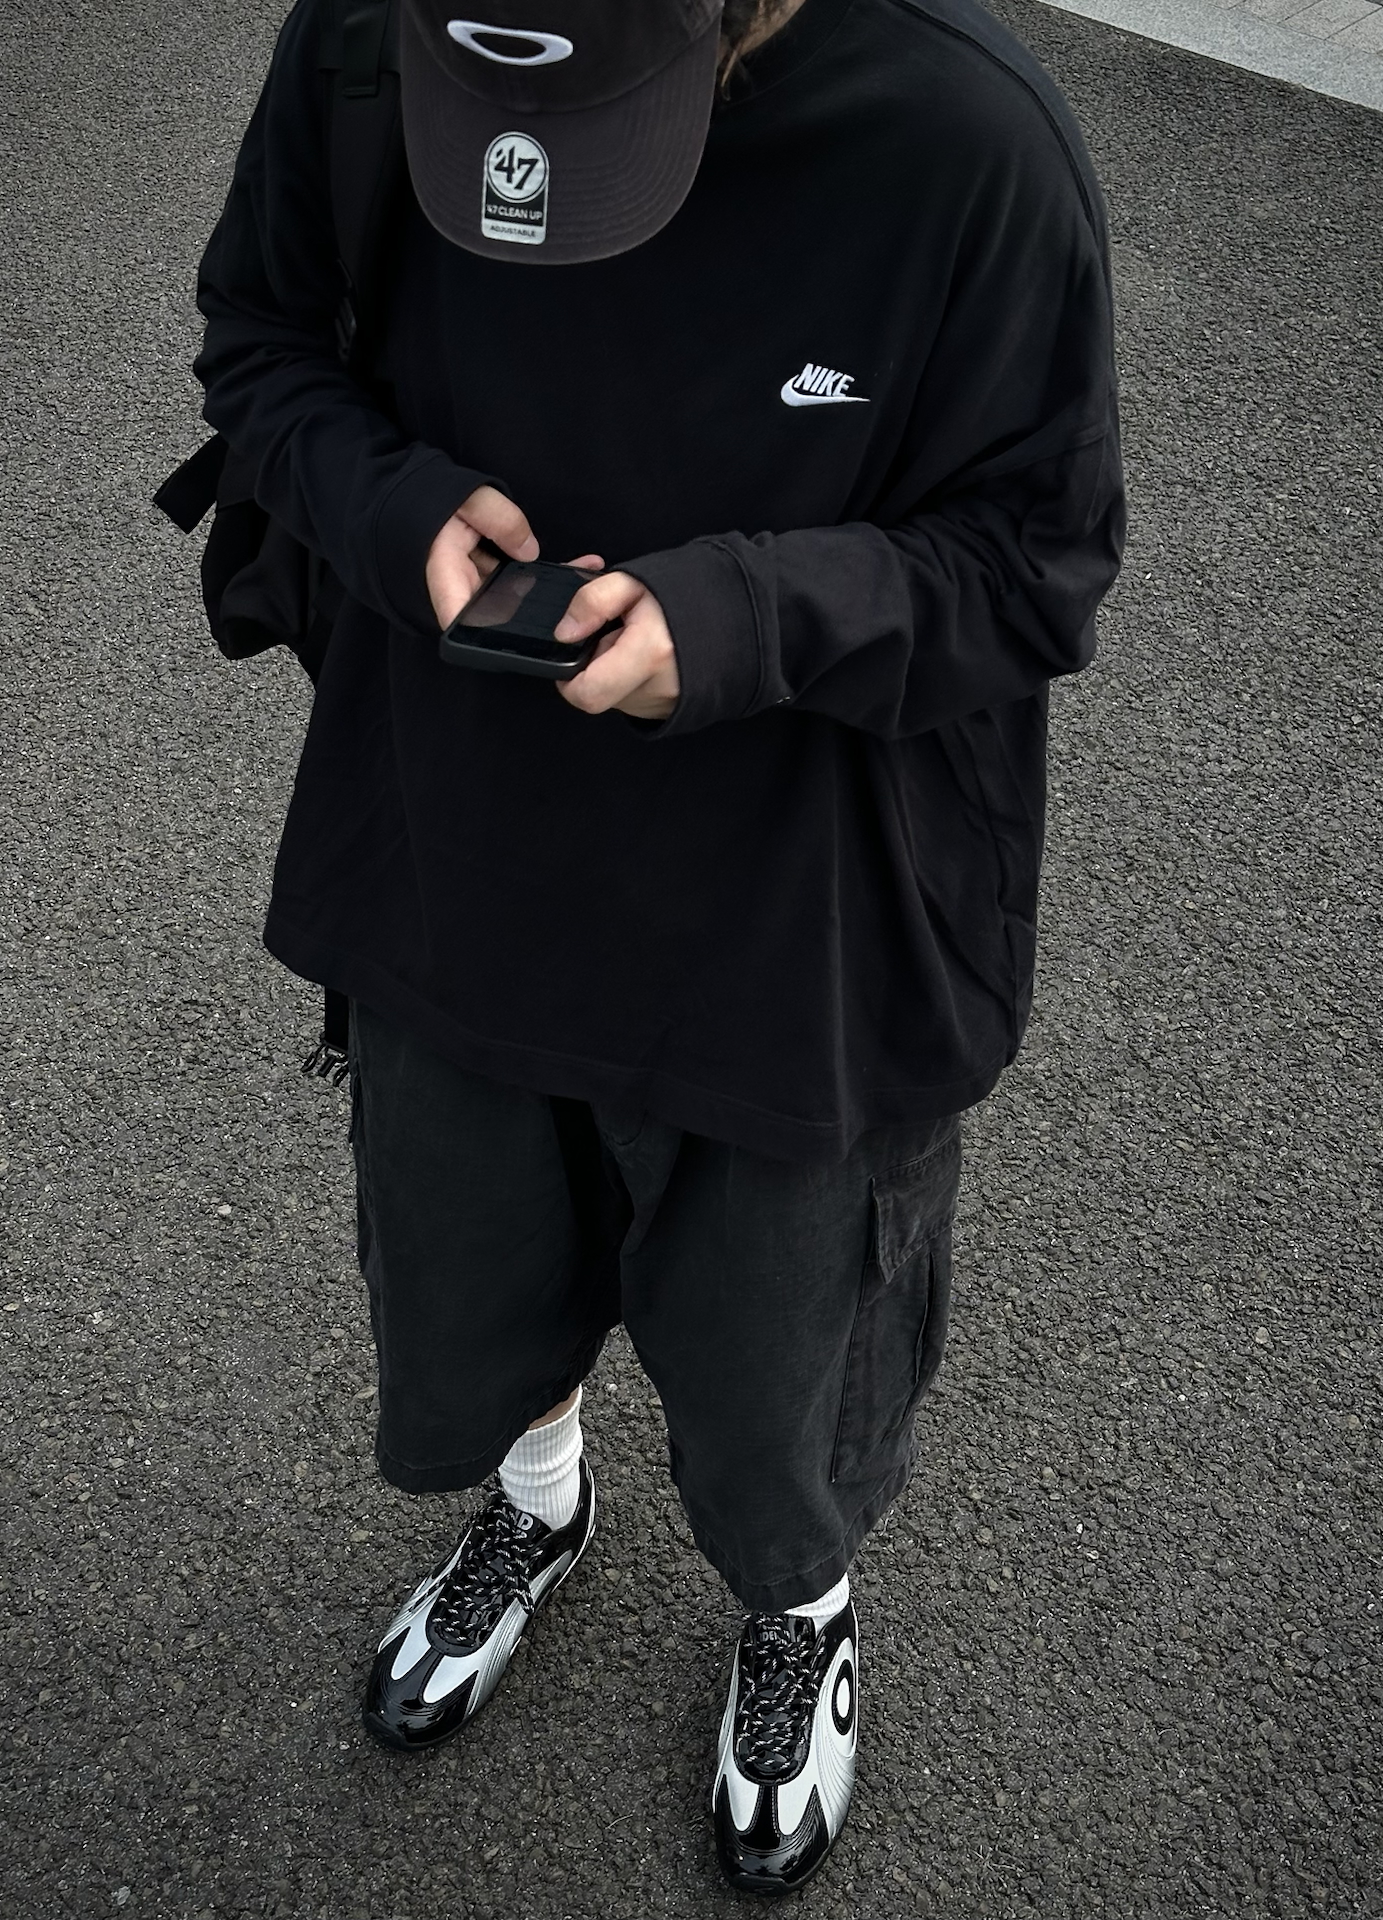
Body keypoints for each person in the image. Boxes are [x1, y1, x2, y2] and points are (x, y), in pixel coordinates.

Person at [193, 0, 1125, 1892]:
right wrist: (392, 505)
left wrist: (744, 618)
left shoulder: (968, 140)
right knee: (475, 1294)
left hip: (802, 932)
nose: (530, 169)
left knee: (781, 1377)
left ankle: (798, 1609)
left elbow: (1038, 561)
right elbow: (262, 347)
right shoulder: (367, 43)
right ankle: (538, 1504)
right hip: (449, 865)